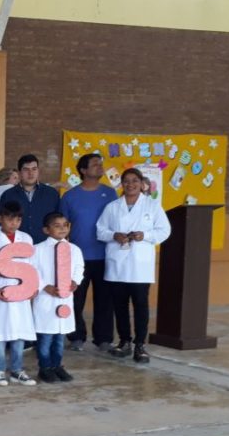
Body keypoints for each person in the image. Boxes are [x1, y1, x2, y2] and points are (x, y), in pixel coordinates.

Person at [96, 168, 171, 364]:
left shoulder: (152, 206)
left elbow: (164, 230)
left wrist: (145, 236)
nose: (130, 185)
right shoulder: (112, 207)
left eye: (134, 181)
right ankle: (124, 341)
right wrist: (114, 235)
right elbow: (100, 230)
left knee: (140, 305)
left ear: (142, 184)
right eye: (126, 181)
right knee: (119, 306)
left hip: (140, 266)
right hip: (117, 264)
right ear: (121, 184)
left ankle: (140, 345)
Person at [59, 152, 118, 351]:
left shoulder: (110, 194)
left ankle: (104, 339)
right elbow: (62, 227)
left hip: (105, 255)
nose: (100, 167)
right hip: (78, 258)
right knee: (76, 299)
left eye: (101, 164)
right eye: (95, 164)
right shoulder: (70, 196)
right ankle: (76, 336)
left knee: (104, 300)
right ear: (83, 170)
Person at [0, 202, 38, 387]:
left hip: (21, 291)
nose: (14, 223)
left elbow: (32, 265)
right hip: (1, 291)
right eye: (9, 219)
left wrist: (32, 286)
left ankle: (17, 370)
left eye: (18, 219)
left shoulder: (26, 238)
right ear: (0, 218)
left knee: (20, 331)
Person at [33, 212, 85, 383]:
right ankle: (44, 367)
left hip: (65, 299)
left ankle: (57, 365)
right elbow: (32, 272)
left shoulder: (74, 249)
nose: (62, 228)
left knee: (59, 338)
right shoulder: (38, 249)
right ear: (46, 230)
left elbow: (79, 267)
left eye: (65, 225)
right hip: (46, 300)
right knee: (46, 337)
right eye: (57, 225)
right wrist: (44, 286)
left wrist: (75, 281)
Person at [0, 154, 60, 244]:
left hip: (46, 246)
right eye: (26, 169)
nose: (31, 173)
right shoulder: (8, 195)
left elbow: (59, 222)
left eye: (34, 169)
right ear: (19, 173)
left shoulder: (51, 194)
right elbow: (0, 223)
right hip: (16, 246)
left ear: (38, 171)